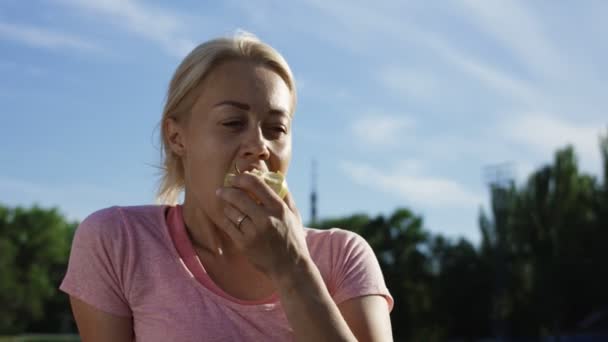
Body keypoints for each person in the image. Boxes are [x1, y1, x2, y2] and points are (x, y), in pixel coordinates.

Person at [60, 31, 394, 341]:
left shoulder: (344, 257)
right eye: (233, 122)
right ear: (177, 137)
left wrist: (292, 268)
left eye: (276, 128)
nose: (259, 145)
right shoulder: (117, 241)